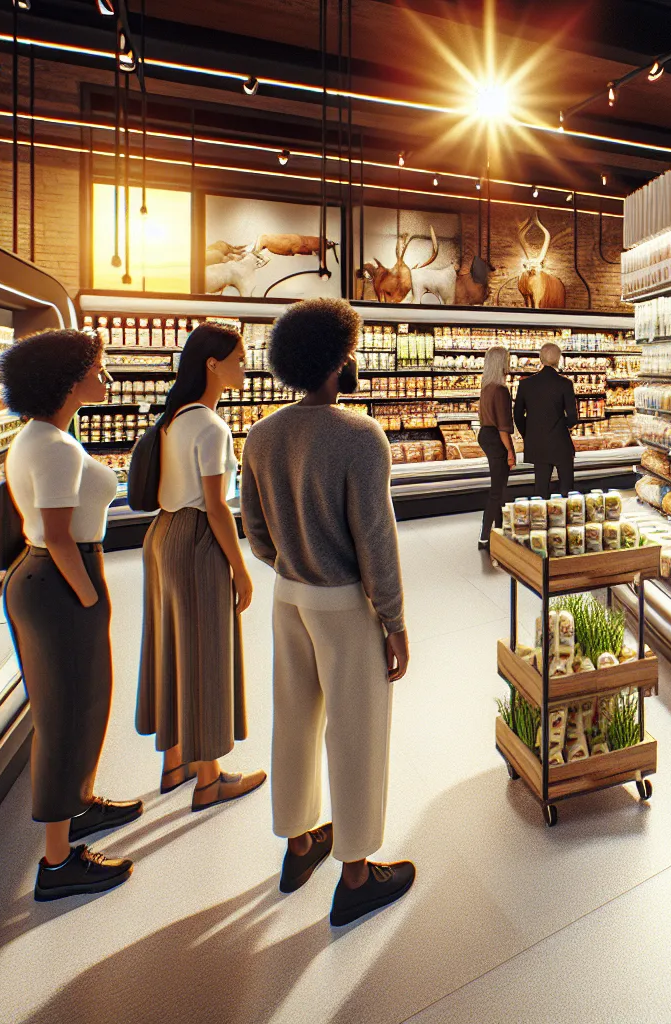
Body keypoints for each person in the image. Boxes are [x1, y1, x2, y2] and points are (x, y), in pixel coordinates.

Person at [238, 298, 414, 927]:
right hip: (344, 607)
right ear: (339, 360)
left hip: (289, 598)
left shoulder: (260, 435)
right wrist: (393, 621)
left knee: (294, 720)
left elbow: (254, 531)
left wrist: (288, 558)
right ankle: (358, 873)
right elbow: (376, 538)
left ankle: (297, 843)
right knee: (356, 731)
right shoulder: (359, 436)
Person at [0, 329, 142, 901]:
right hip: (61, 580)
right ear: (67, 380)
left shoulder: (41, 436)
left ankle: (78, 806)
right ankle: (58, 864)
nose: (105, 379)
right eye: (97, 370)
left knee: (81, 706)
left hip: (50, 579)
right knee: (64, 719)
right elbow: (57, 535)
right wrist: (87, 596)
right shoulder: (55, 447)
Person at [137, 322, 266, 810]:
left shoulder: (176, 417)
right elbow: (216, 507)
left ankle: (175, 763)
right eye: (237, 358)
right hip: (195, 540)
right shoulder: (211, 426)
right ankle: (210, 779)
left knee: (171, 648)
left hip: (163, 535)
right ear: (212, 364)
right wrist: (241, 566)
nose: (244, 366)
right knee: (208, 653)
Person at [512, 341, 577, 499]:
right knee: (567, 489)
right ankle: (567, 520)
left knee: (540, 488)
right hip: (561, 443)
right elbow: (573, 417)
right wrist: (564, 426)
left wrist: (528, 433)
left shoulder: (526, 384)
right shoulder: (565, 384)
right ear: (559, 360)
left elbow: (517, 414)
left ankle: (540, 520)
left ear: (540, 359)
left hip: (538, 443)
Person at [475, 344, 515, 549]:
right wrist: (510, 451)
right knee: (497, 490)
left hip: (485, 435)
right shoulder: (500, 390)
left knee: (499, 488)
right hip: (497, 438)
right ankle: (485, 537)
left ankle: (498, 532)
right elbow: (503, 427)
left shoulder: (486, 387)